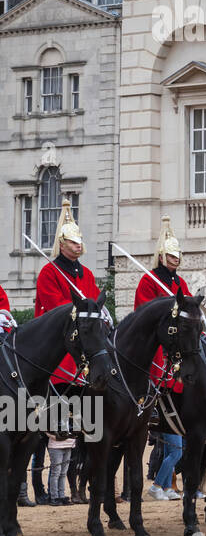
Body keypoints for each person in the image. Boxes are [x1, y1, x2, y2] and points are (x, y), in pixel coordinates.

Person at [35, 199, 102, 389]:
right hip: (59, 337)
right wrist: (82, 311)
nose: (78, 245)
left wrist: (100, 312)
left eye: (79, 241)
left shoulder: (87, 273)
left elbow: (95, 300)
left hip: (86, 337)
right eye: (73, 242)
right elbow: (54, 306)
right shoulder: (49, 272)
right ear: (62, 244)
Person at [135, 216, 194, 394]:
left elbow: (188, 305)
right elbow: (145, 311)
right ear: (162, 257)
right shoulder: (148, 280)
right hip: (157, 334)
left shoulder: (180, 282)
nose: (176, 259)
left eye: (177, 255)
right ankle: (152, 394)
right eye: (171, 255)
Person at [46, 429, 75, 505]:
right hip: (55, 447)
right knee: (56, 473)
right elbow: (46, 430)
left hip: (68, 445)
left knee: (63, 473)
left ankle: (61, 496)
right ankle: (54, 497)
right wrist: (56, 437)